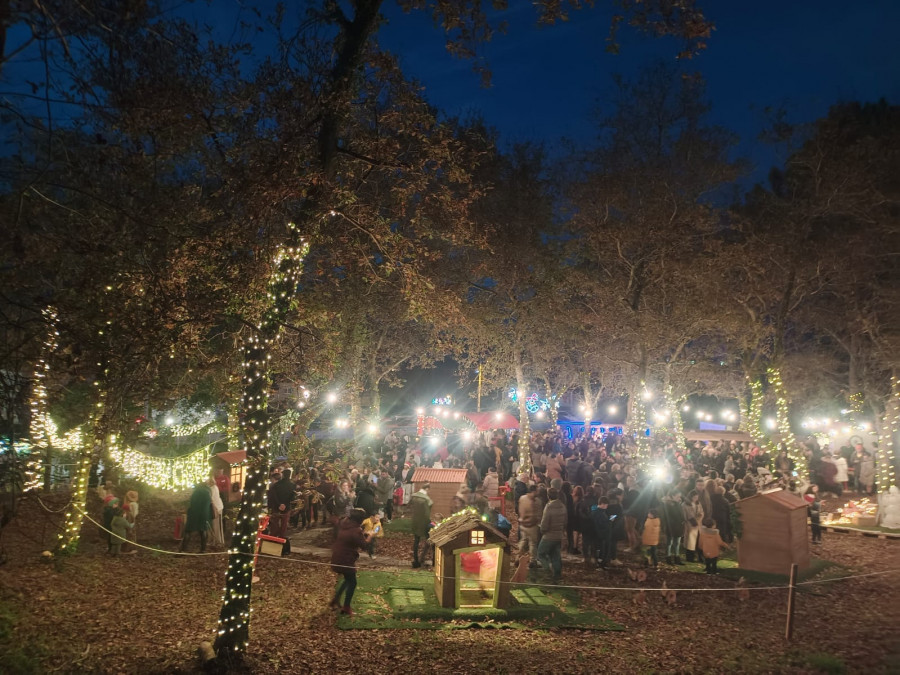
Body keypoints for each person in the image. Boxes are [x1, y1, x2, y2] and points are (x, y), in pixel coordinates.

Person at [329, 509, 372, 616]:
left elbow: (352, 537)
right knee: (352, 582)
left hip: (337, 555)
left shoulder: (344, 524)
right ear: (360, 520)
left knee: (348, 579)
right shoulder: (356, 530)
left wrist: (363, 534)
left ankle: (335, 600)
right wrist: (370, 536)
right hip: (345, 559)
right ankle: (346, 607)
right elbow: (364, 546)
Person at [537, 487, 567, 583]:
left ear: (548, 496)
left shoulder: (548, 507)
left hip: (548, 536)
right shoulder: (562, 506)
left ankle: (547, 570)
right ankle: (557, 574)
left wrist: (542, 530)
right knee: (555, 555)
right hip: (558, 535)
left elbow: (545, 523)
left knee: (541, 553)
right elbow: (565, 521)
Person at [181, 481, 213, 553]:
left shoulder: (196, 492)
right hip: (204, 514)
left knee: (188, 531)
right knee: (203, 530)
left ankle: (183, 550)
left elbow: (192, 503)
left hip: (194, 513)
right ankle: (203, 549)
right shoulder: (208, 491)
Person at [409, 483, 433, 568]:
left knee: (416, 541)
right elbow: (427, 513)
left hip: (415, 521)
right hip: (424, 523)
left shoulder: (413, 496)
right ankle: (432, 561)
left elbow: (410, 506)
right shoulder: (427, 500)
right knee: (430, 541)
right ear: (427, 489)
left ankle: (416, 560)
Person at [268, 468, 295, 539]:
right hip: (287, 507)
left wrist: (279, 504)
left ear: (282, 475)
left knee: (275, 523)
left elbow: (274, 495)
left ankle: (273, 538)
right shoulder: (292, 485)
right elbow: (292, 497)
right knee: (284, 524)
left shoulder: (276, 485)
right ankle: (281, 538)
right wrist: (285, 504)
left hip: (276, 506)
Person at [517, 484, 541, 561]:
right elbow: (539, 513)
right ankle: (532, 560)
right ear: (534, 491)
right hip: (532, 525)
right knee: (532, 543)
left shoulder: (522, 498)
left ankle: (518, 557)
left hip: (522, 523)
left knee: (523, 541)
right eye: (537, 490)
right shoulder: (537, 501)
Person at [662, 490, 685, 565]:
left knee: (677, 543)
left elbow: (681, 514)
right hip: (671, 526)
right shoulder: (667, 505)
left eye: (679, 496)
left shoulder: (678, 504)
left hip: (678, 526)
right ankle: (668, 558)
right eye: (677, 496)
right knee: (669, 543)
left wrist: (682, 521)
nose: (679, 498)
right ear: (672, 496)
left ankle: (677, 558)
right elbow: (668, 516)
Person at [683, 489, 704, 563]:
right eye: (694, 497)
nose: (696, 499)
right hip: (690, 525)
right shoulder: (685, 505)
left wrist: (700, 517)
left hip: (698, 525)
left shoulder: (698, 503)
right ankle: (690, 557)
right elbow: (684, 516)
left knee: (699, 541)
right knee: (690, 542)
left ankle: (700, 557)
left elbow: (701, 512)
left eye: (697, 497)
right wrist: (692, 520)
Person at [208, 477, 225, 547]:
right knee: (213, 526)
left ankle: (219, 541)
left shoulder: (213, 488)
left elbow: (211, 499)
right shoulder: (211, 488)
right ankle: (214, 541)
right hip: (213, 509)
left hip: (217, 508)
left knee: (217, 526)